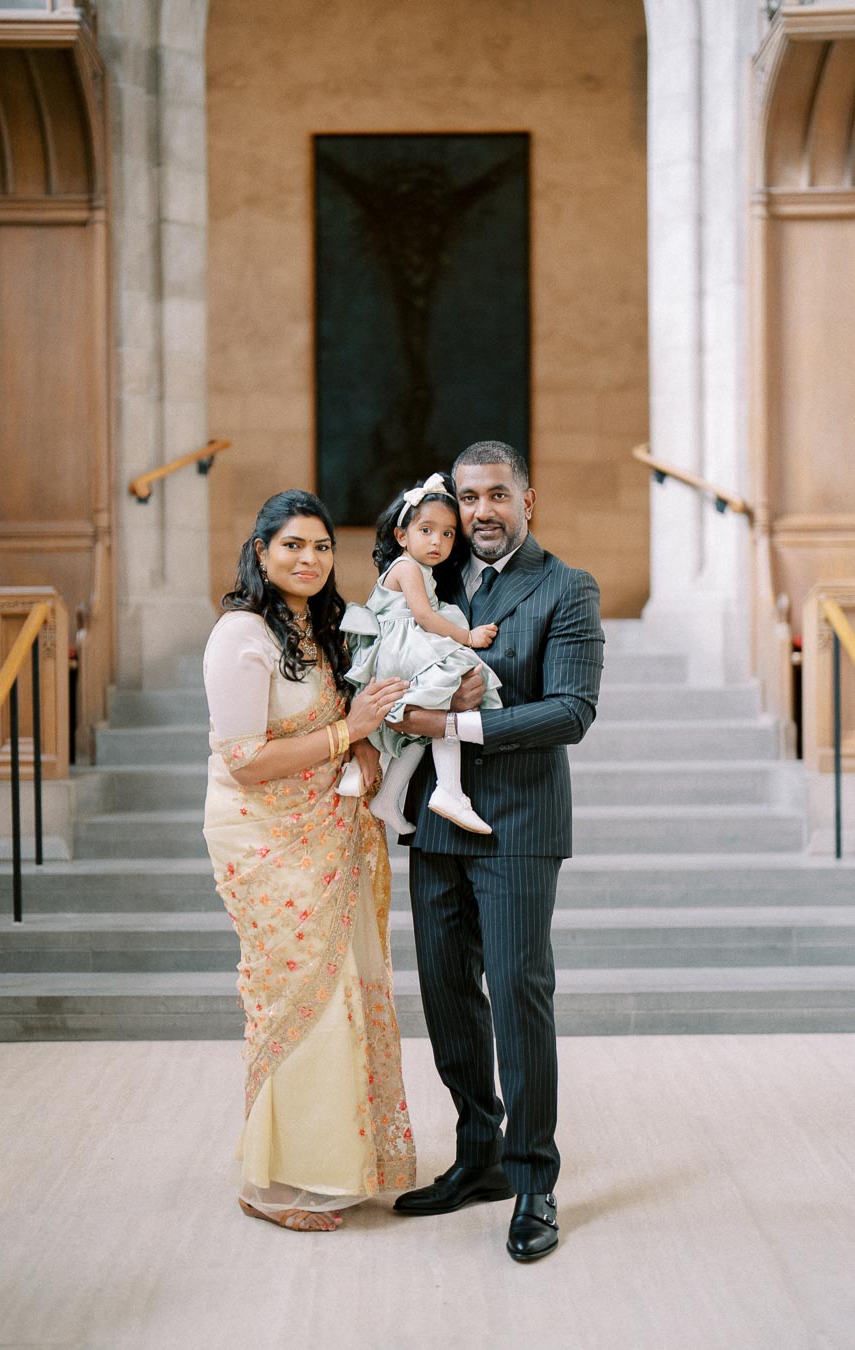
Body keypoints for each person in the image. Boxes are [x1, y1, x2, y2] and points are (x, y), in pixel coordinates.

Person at [390, 442, 604, 1263]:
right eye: (469, 496)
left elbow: (571, 711)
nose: (481, 510)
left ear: (527, 499)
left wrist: (453, 726)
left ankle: (534, 1179)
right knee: (447, 992)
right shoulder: (430, 573)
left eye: (497, 495)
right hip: (435, 823)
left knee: (517, 992)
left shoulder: (566, 586)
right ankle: (477, 1155)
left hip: (518, 822)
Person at [202, 489, 417, 1233]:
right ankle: (273, 1183)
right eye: (292, 545)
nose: (309, 558)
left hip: (330, 823)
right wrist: (344, 735)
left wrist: (363, 744)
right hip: (264, 834)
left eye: (322, 546)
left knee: (341, 990)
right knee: (297, 994)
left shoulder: (323, 629)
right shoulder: (241, 633)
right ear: (261, 553)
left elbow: (344, 717)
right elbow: (244, 762)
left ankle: (332, 1164)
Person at [340, 472, 503, 835]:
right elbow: (425, 617)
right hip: (400, 647)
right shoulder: (407, 567)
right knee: (451, 687)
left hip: (402, 646)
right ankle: (449, 790)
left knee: (416, 733)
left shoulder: (421, 569)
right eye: (426, 530)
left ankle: (388, 798)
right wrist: (468, 637)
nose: (437, 541)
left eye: (447, 534)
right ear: (401, 536)